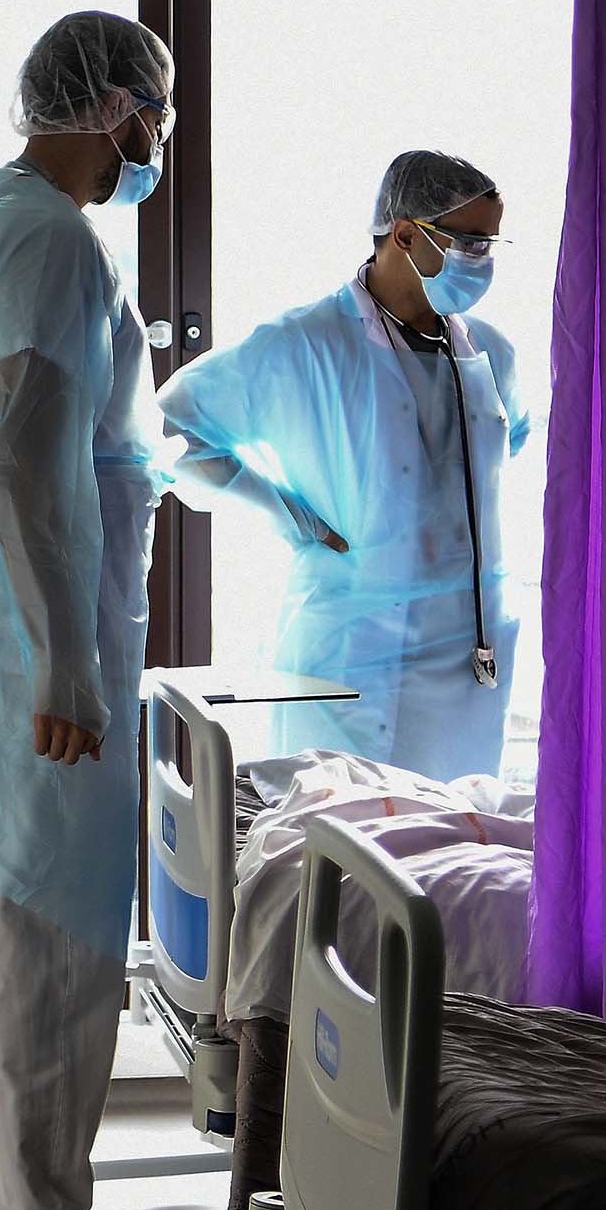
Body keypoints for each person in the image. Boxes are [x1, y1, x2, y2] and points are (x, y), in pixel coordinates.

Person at [0, 9, 202, 1210]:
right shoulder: (52, 237)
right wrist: (69, 661)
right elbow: (29, 455)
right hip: (38, 635)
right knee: (50, 932)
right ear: (117, 109)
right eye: (158, 108)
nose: (161, 137)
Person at [159, 150, 529, 781]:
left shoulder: (491, 350)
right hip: (356, 653)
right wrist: (286, 510)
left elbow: (506, 448)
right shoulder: (306, 342)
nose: (482, 260)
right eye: (468, 242)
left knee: (454, 851)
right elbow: (172, 431)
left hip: (472, 651)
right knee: (336, 853)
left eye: (490, 242)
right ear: (405, 234)